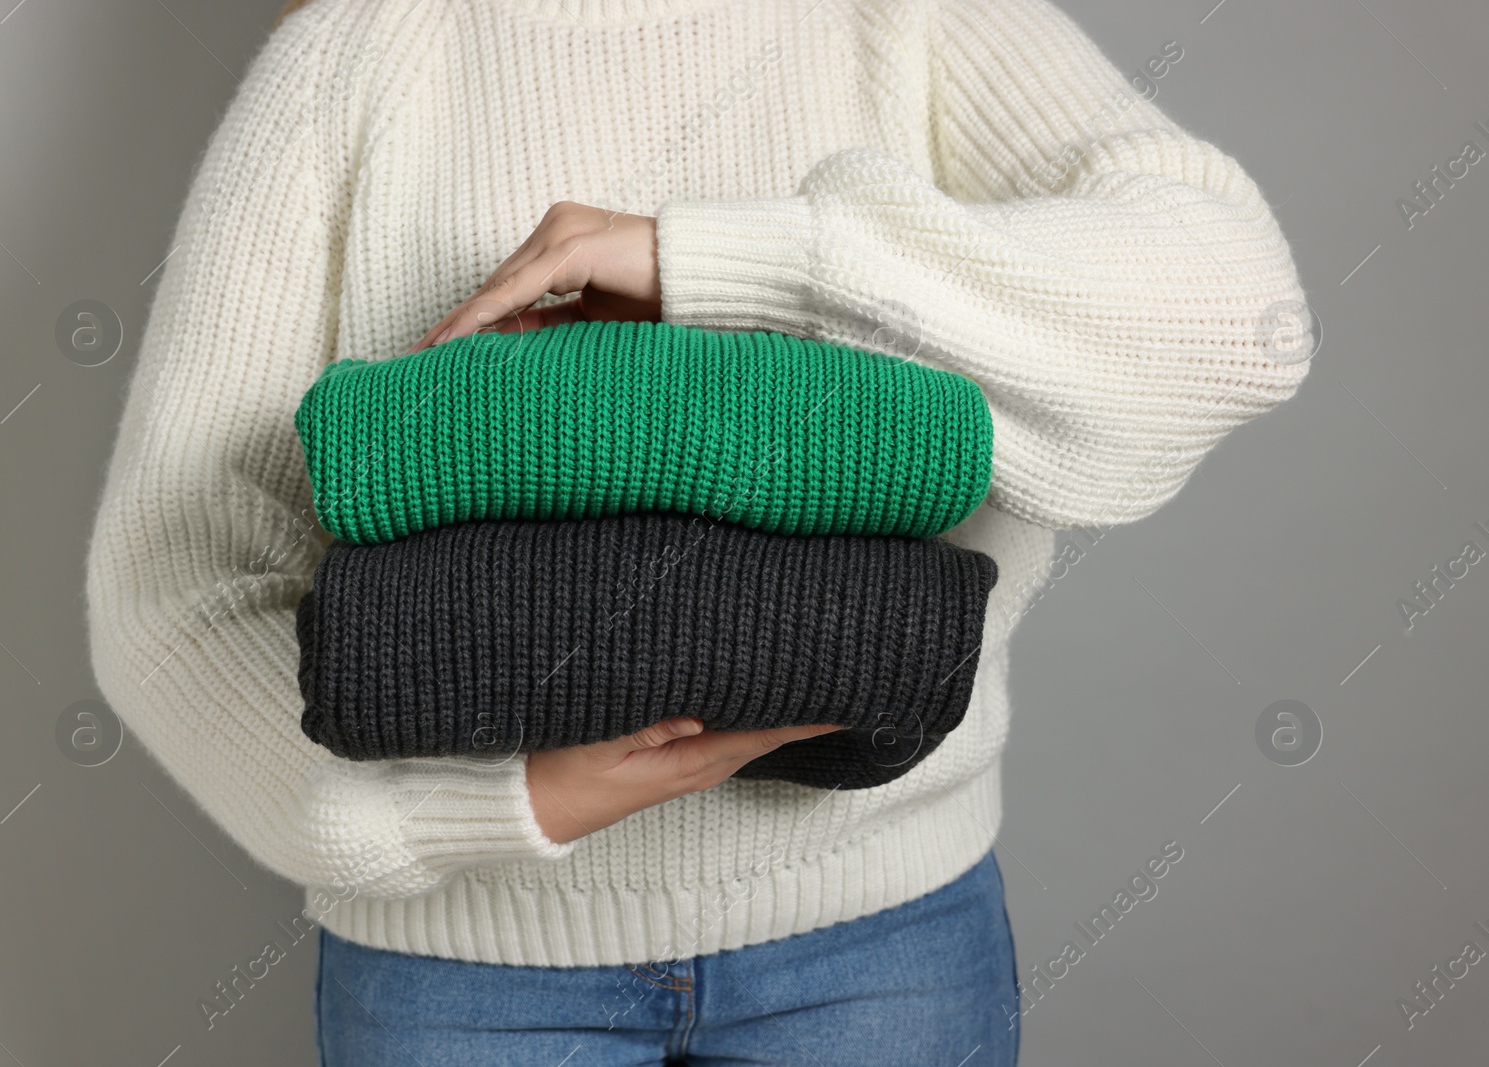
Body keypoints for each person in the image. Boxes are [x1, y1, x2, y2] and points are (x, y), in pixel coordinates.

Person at [84, 0, 1310, 1063]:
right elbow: (173, 579)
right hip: (467, 979)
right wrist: (483, 806)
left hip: (878, 946)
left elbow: (1237, 315)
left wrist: (729, 262)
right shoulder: (359, 55)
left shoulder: (908, 21)